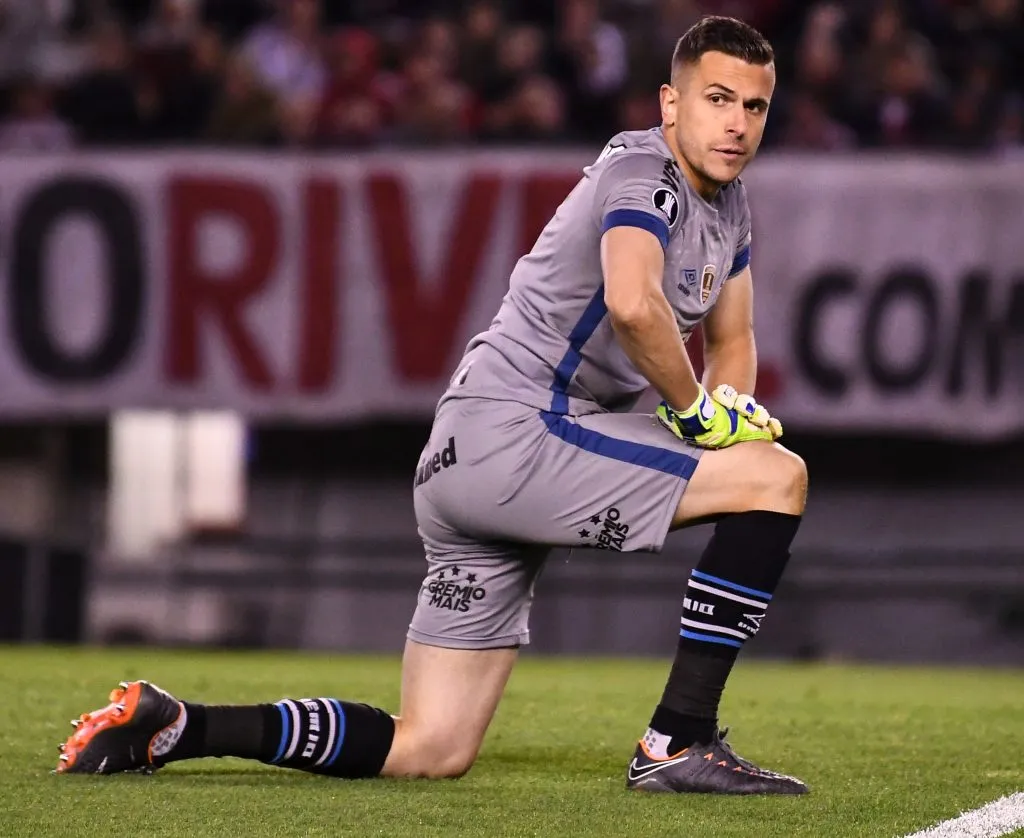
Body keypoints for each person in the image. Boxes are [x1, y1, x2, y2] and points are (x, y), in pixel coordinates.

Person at [57, 15, 809, 796]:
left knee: (431, 745)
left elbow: (735, 333)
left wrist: (727, 411)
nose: (737, 122)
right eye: (718, 99)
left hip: (469, 454)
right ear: (670, 104)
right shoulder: (642, 174)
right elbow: (632, 303)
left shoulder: (730, 207)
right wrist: (697, 414)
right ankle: (677, 739)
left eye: (754, 107)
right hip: (523, 433)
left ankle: (179, 725)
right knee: (774, 480)